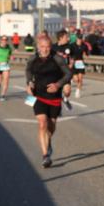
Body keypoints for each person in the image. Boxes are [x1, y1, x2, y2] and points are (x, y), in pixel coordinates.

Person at [25, 34, 72, 168]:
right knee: (42, 123)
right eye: (42, 47)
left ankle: (48, 140)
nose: (45, 49)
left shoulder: (57, 59)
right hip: (38, 95)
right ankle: (45, 155)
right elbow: (28, 71)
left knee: (51, 126)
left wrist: (58, 85)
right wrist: (29, 83)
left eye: (47, 47)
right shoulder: (33, 59)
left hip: (54, 97)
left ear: (50, 47)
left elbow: (68, 73)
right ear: (38, 47)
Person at [54, 30, 75, 111]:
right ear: (60, 38)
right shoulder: (53, 47)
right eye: (66, 37)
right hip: (55, 73)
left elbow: (72, 57)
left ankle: (65, 99)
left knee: (67, 91)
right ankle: (57, 109)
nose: (68, 38)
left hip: (66, 73)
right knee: (56, 92)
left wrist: (71, 65)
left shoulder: (70, 47)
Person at [0, 35, 14, 100]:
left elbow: (10, 54)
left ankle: (3, 95)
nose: (4, 41)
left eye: (6, 40)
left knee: (6, 79)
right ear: (1, 40)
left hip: (5, 65)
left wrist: (11, 57)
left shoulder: (9, 47)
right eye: (3, 39)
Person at [68, 33, 88, 98]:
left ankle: (78, 91)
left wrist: (86, 55)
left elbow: (86, 53)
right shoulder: (72, 45)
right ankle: (73, 80)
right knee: (76, 79)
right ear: (76, 38)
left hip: (80, 63)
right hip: (74, 63)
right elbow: (69, 54)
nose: (80, 40)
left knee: (80, 79)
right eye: (79, 38)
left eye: (81, 38)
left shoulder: (84, 46)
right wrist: (70, 61)